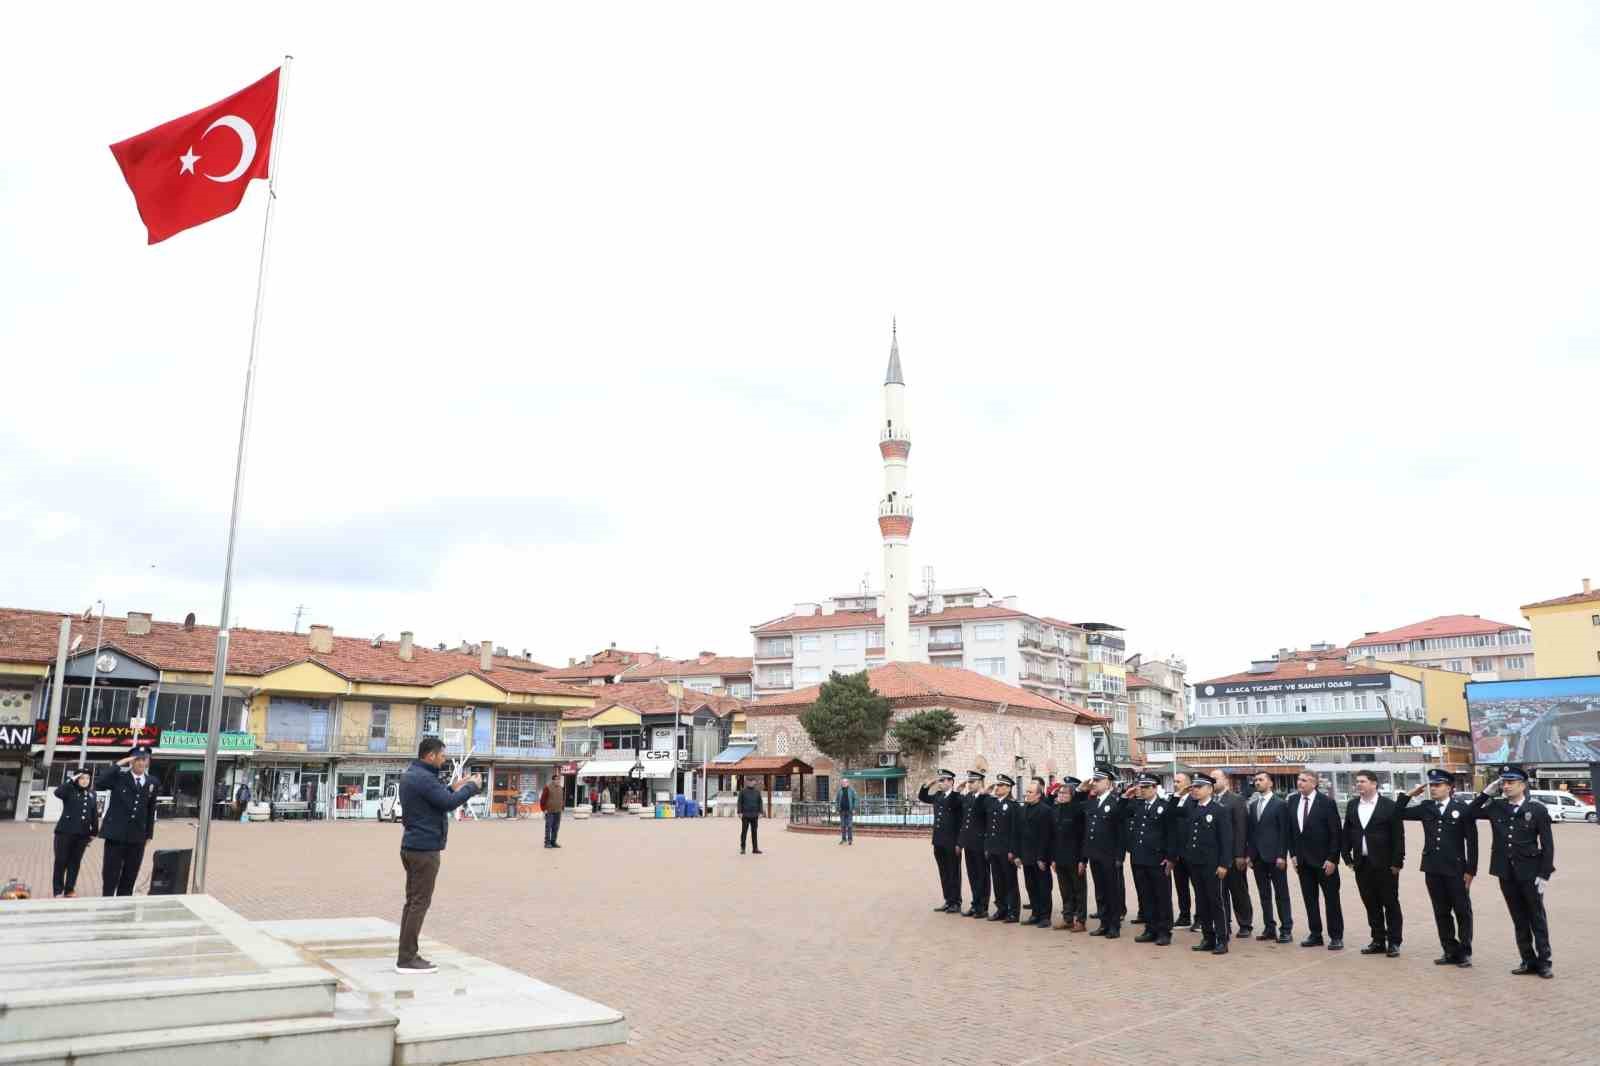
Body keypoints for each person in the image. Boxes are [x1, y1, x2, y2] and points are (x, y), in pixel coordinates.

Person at [395, 738, 481, 974]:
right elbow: (447, 803)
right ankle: (407, 958)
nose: (444, 759)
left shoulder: (415, 774)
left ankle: (407, 952)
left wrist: (456, 786)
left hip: (413, 846)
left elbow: (437, 797)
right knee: (419, 903)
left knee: (413, 902)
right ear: (430, 756)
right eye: (442, 755)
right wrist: (472, 788)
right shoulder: (424, 778)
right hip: (424, 849)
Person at [1468, 765, 1554, 977]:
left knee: (1536, 918)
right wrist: (1485, 793)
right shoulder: (1496, 807)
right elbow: (1468, 813)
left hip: (1530, 872)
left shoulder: (1537, 809)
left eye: (1510, 782)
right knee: (1518, 918)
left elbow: (1548, 845)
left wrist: (1544, 874)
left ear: (1523, 785)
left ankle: (1544, 962)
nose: (1506, 786)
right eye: (1503, 782)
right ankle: (1527, 959)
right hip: (1506, 872)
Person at [1396, 768, 1478, 967]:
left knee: (1462, 911)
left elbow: (1472, 842)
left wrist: (1470, 870)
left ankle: (1464, 952)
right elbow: (1397, 814)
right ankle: (1449, 950)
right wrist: (1408, 795)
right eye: (1431, 785)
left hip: (1456, 869)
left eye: (1438, 785)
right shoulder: (1426, 807)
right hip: (1433, 867)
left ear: (1449, 787)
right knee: (1441, 911)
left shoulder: (1462, 808)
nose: (1433, 788)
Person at [1342, 769, 1404, 958]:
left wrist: (1397, 862)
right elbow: (1347, 833)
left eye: (1362, 781)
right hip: (1362, 863)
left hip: (1386, 864)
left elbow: (1398, 836)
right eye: (1357, 782)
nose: (1358, 784)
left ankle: (1394, 942)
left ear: (1374, 784)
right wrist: (1347, 858)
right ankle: (1378, 940)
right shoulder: (1353, 805)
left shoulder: (1389, 806)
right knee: (1370, 903)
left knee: (1390, 903)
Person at [1287, 770, 1344, 950]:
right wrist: (1293, 855)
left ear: (1314, 783)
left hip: (1324, 862)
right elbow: (1291, 832)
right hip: (1303, 862)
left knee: (1331, 900)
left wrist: (1333, 859)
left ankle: (1336, 936)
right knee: (1310, 899)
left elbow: (1336, 833)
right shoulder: (1293, 801)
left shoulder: (1326, 803)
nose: (1300, 783)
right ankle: (1315, 933)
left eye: (1304, 780)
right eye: (1298, 780)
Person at [1180, 772, 1232, 955]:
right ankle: (1208, 938)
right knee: (1202, 902)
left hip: (1213, 865)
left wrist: (1224, 864)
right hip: (1195, 863)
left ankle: (1222, 939)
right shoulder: (1193, 809)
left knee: (1216, 902)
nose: (1194, 790)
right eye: (1193, 786)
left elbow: (1226, 840)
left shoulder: (1219, 810)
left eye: (1198, 787)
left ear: (1209, 789)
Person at [97, 746, 159, 897]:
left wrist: (149, 834)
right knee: (111, 873)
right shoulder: (119, 778)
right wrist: (120, 763)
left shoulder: (152, 782)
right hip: (116, 834)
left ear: (148, 761)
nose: (141, 762)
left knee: (130, 874)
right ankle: (107, 901)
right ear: (131, 761)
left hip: (137, 836)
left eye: (144, 759)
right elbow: (100, 781)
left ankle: (123, 903)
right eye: (137, 759)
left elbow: (151, 810)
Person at [1123, 773, 1174, 946]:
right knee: (1146, 896)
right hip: (1140, 858)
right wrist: (1125, 797)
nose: (1142, 790)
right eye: (1140, 787)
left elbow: (1171, 834)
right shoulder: (1137, 806)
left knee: (1162, 896)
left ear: (1155, 787)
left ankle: (1164, 931)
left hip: (1158, 859)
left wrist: (1170, 857)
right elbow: (1119, 813)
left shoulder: (1164, 807)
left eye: (1145, 787)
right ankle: (1150, 928)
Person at [1246, 770, 1295, 944]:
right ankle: (1269, 928)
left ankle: (1286, 929)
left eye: (1261, 779)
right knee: (1264, 894)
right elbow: (1251, 833)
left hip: (1275, 857)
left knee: (1281, 894)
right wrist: (1250, 855)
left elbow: (1284, 832)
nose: (1257, 782)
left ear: (1270, 783)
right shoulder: (1252, 805)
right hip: (1258, 857)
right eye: (1255, 780)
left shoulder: (1280, 804)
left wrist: (1282, 855)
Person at [1079, 766, 1127, 938]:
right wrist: (1084, 857)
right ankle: (1104, 923)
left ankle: (1114, 926)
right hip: (1094, 854)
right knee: (1100, 891)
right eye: (1094, 780)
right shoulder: (1092, 802)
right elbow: (1086, 829)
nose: (1095, 783)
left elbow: (1121, 832)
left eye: (1098, 781)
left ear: (1108, 783)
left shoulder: (1115, 803)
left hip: (1110, 854)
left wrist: (1119, 856)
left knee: (1112, 891)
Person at [1212, 771, 1253, 939]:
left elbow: (1241, 828)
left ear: (1226, 780)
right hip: (1215, 855)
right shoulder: (1210, 801)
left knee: (1238, 891)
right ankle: (1224, 923)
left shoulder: (1236, 800)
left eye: (1216, 779)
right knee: (1219, 892)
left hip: (1234, 855)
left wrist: (1240, 854)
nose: (1213, 782)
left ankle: (1245, 923)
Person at [917, 769, 964, 913]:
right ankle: (948, 900)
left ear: (951, 782)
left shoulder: (957, 797)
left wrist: (959, 843)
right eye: (940, 780)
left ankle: (956, 902)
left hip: (952, 842)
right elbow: (923, 797)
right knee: (943, 872)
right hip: (938, 841)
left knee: (953, 872)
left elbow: (961, 821)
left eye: (943, 780)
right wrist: (929, 784)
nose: (941, 783)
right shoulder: (938, 795)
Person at [983, 774, 1024, 923]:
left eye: (1000, 785)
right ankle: (1001, 909)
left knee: (1010, 882)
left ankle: (1013, 912)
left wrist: (1013, 851)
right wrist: (987, 846)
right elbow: (989, 828)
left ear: (1008, 788)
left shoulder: (1013, 806)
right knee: (998, 881)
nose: (997, 787)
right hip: (994, 849)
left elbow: (1015, 831)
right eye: (997, 785)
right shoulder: (993, 804)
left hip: (1006, 851)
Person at [53, 766, 99, 897]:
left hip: (82, 835)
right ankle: (58, 890)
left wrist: (94, 832)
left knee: (75, 862)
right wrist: (71, 780)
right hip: (65, 833)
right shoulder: (69, 791)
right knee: (61, 861)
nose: (85, 781)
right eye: (82, 778)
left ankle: (69, 889)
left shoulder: (92, 794)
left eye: (87, 778)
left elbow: (94, 814)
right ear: (77, 779)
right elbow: (57, 792)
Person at [1049, 778, 1088, 930]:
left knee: (1079, 891)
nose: (1061, 795)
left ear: (1072, 795)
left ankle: (1080, 920)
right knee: (1065, 890)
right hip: (1059, 858)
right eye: (1060, 793)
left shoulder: (1076, 811)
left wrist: (1082, 860)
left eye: (1065, 793)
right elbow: (1053, 837)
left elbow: (1082, 836)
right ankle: (1068, 918)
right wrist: (1052, 858)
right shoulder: (1056, 811)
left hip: (1074, 858)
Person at [1019, 778, 1054, 929]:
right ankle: (1035, 913)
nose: (1027, 794)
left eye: (1030, 792)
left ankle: (1045, 916)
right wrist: (1019, 855)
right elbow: (1020, 833)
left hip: (1040, 856)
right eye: (1026, 791)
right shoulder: (1024, 808)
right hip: (1026, 855)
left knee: (1043, 887)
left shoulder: (1045, 810)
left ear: (1039, 795)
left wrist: (1042, 857)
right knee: (1031, 886)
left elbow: (1046, 836)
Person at [957, 772, 991, 918]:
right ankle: (975, 904)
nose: (970, 784)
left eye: (973, 782)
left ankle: (983, 906)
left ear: (981, 783)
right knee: (972, 875)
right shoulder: (967, 798)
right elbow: (964, 822)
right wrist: (960, 841)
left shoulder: (986, 799)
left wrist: (988, 845)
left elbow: (987, 822)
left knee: (982, 875)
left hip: (981, 843)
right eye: (969, 782)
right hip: (969, 843)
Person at [1169, 771, 1194, 929]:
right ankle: (1184, 915)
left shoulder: (1194, 801)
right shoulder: (1174, 800)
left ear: (1188, 784)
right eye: (1175, 781)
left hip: (1191, 851)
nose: (1176, 784)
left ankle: (1200, 918)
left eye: (1179, 781)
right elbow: (1169, 816)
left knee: (1197, 887)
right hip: (1177, 852)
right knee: (1181, 886)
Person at [539, 773, 565, 849]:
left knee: (556, 827)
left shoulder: (560, 788)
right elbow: (542, 800)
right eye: (557, 779)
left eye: (559, 779)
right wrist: (544, 810)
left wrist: (562, 807)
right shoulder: (547, 787)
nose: (558, 781)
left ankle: (553, 842)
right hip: (549, 811)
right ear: (553, 780)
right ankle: (547, 843)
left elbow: (561, 799)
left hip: (558, 811)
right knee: (548, 827)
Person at [738, 777, 763, 854]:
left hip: (755, 815)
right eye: (750, 781)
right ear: (747, 782)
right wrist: (739, 812)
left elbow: (760, 802)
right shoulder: (742, 791)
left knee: (754, 832)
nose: (751, 783)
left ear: (755, 782)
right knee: (744, 832)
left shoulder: (757, 792)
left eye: (753, 781)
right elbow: (739, 802)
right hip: (745, 815)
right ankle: (743, 848)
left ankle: (755, 849)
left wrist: (760, 812)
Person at [837, 776, 857, 845]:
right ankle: (843, 839)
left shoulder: (851, 790)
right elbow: (837, 800)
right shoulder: (839, 791)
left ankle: (850, 839)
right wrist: (837, 808)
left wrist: (854, 808)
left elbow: (855, 799)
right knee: (842, 826)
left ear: (848, 783)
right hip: (842, 811)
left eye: (845, 782)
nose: (844, 783)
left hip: (849, 810)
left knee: (849, 826)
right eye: (843, 782)